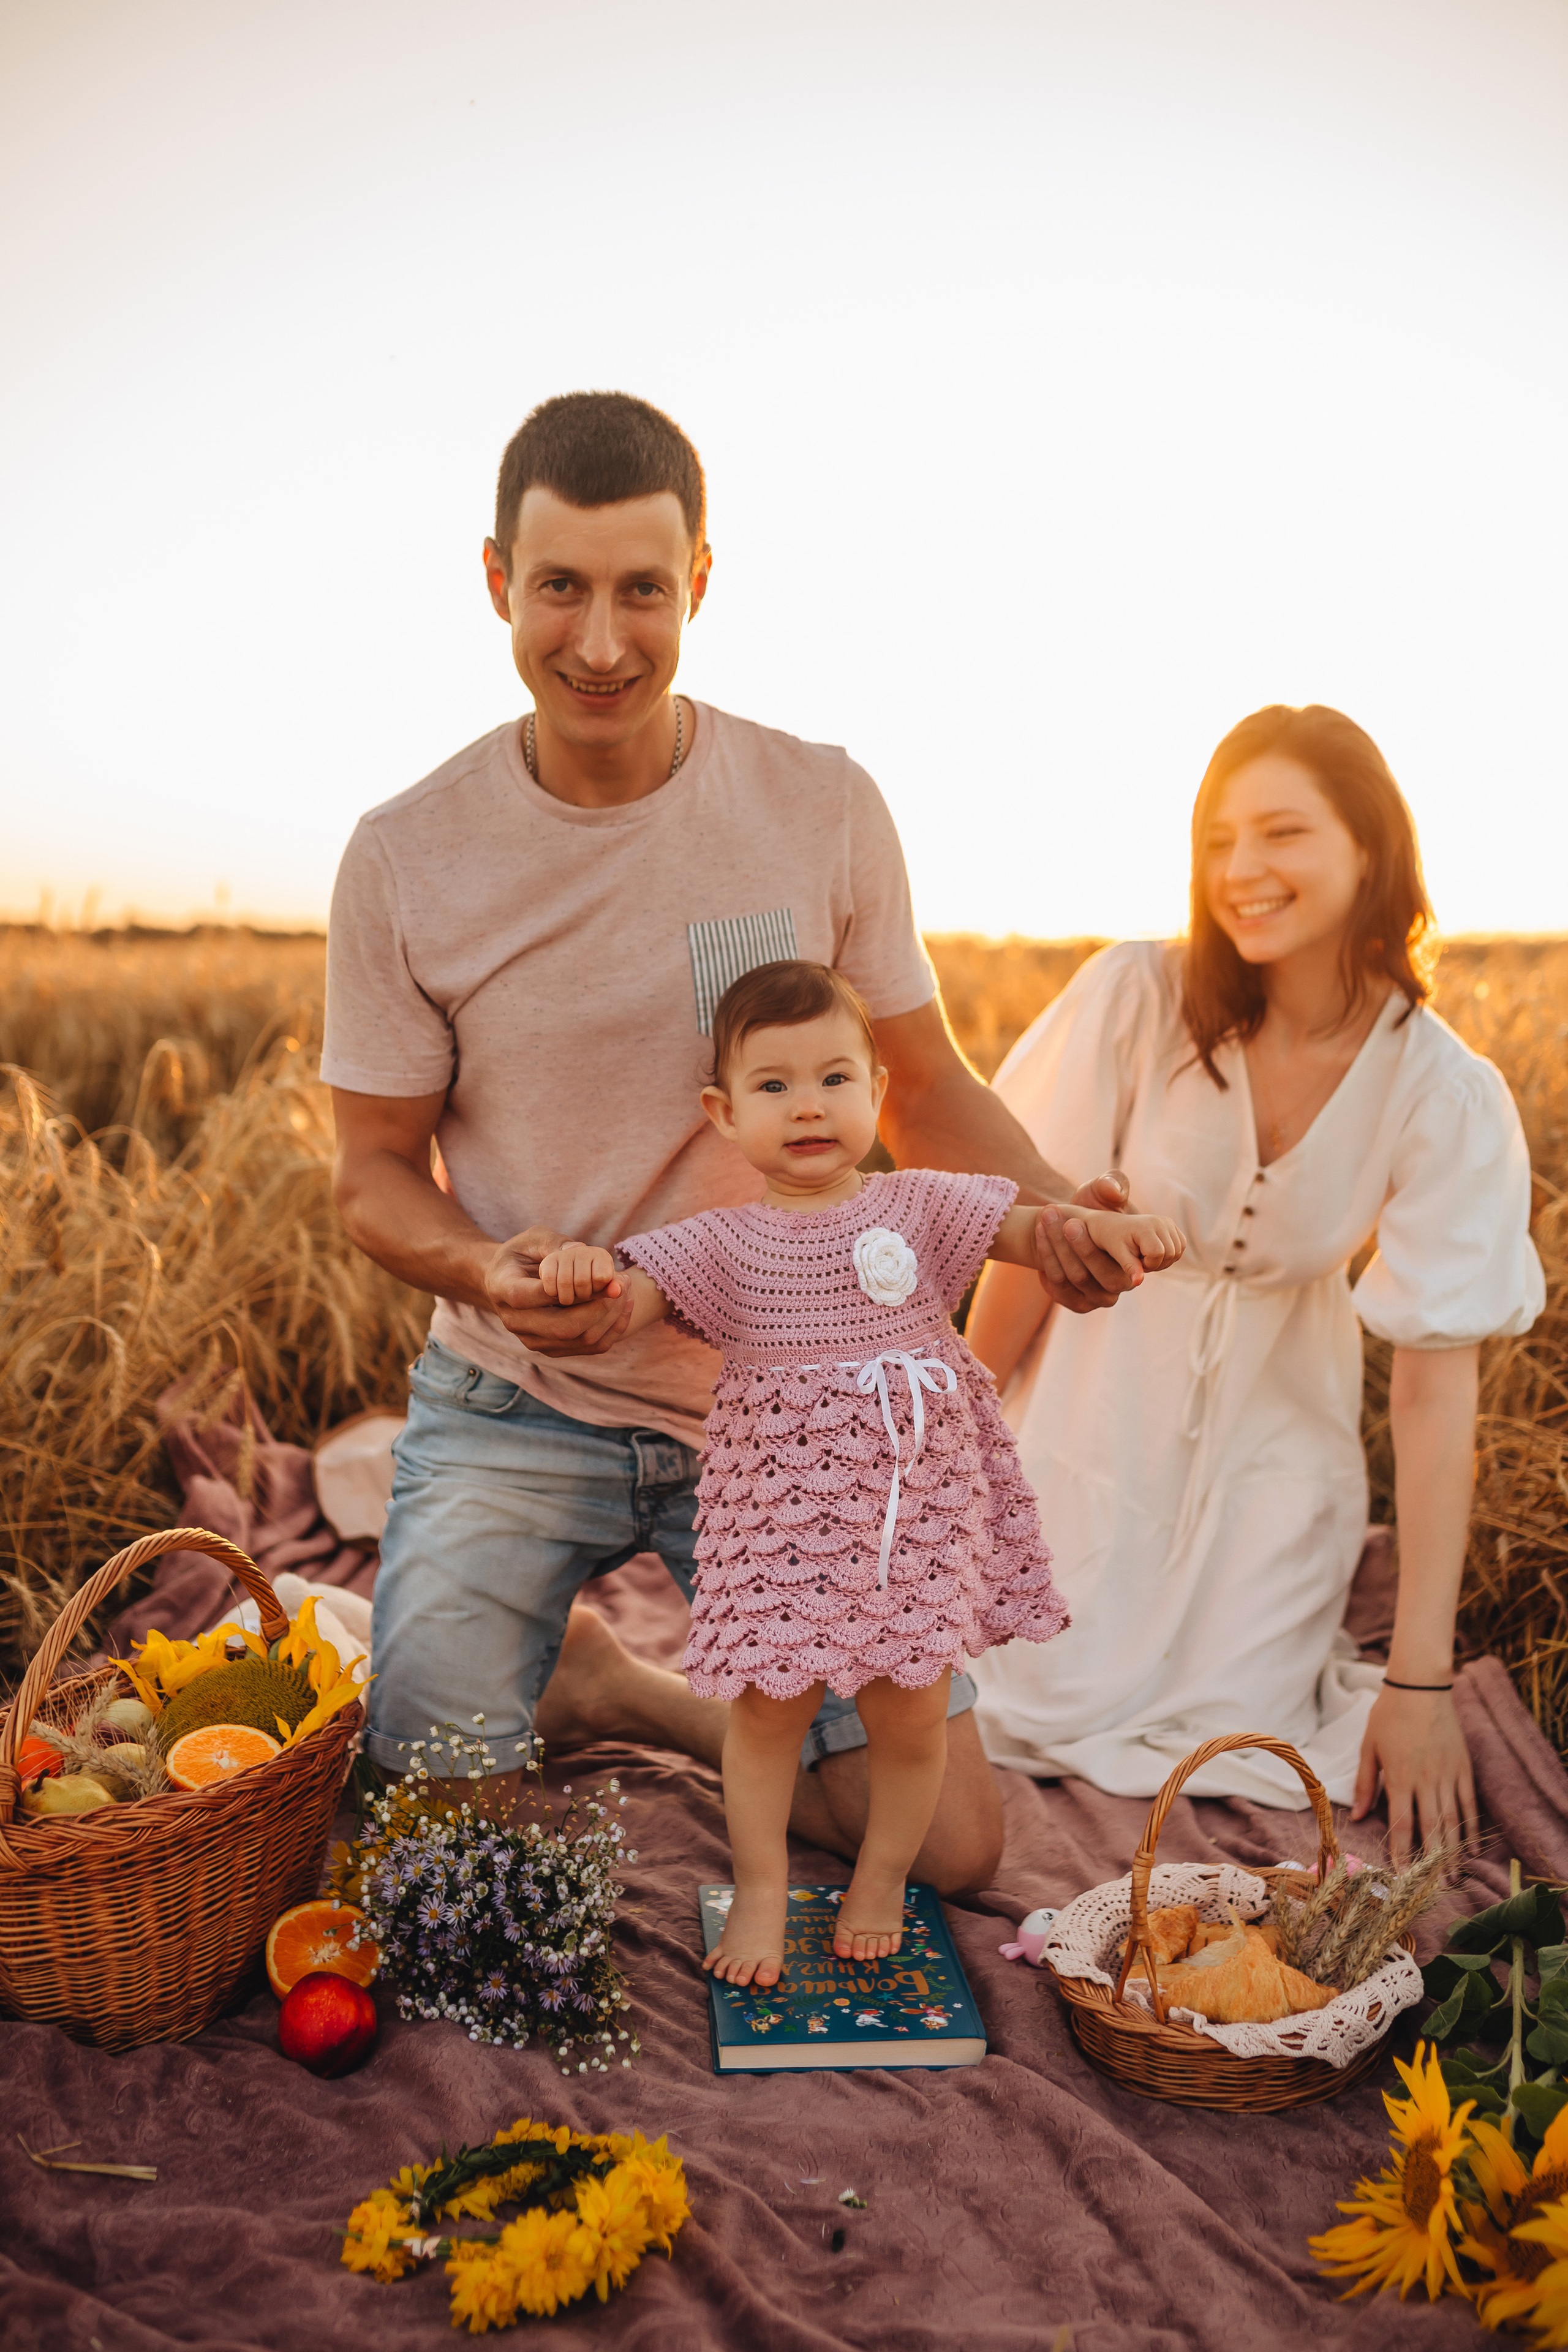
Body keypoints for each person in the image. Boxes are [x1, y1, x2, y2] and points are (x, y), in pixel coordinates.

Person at [323, 388, 1135, 1898]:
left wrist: (1048, 1214)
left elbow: (922, 1078)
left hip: (791, 1405)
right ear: (497, 581)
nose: (601, 641)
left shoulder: (819, 804)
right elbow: (369, 1171)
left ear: (700, 578)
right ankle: (532, 1653)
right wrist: (483, 1267)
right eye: (558, 587)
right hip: (517, 1398)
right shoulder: (405, 856)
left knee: (951, 1846)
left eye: (642, 588)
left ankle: (621, 1692)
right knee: (439, 1853)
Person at [964, 703, 1545, 1860]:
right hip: (1088, 1430)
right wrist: (952, 1441)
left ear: (1369, 846)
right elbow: (1035, 1242)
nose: (1242, 871)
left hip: (1278, 1469)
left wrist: (1420, 1686)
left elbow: (1434, 1392)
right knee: (1015, 1699)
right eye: (1220, 839)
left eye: (1282, 833)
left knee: (1245, 1736)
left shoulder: (1442, 1089)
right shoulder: (1136, 1000)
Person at [532, 959, 1186, 1984]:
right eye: (775, 1086)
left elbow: (1028, 1228)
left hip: (910, 1523)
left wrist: (1096, 1226)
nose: (809, 1107)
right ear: (724, 1112)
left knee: (909, 1714)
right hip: (781, 1526)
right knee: (765, 1719)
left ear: (878, 1094)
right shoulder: (725, 1243)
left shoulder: (919, 1205)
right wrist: (583, 1272)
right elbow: (629, 1293)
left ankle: (881, 1880)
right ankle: (760, 1889)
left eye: (836, 1079)